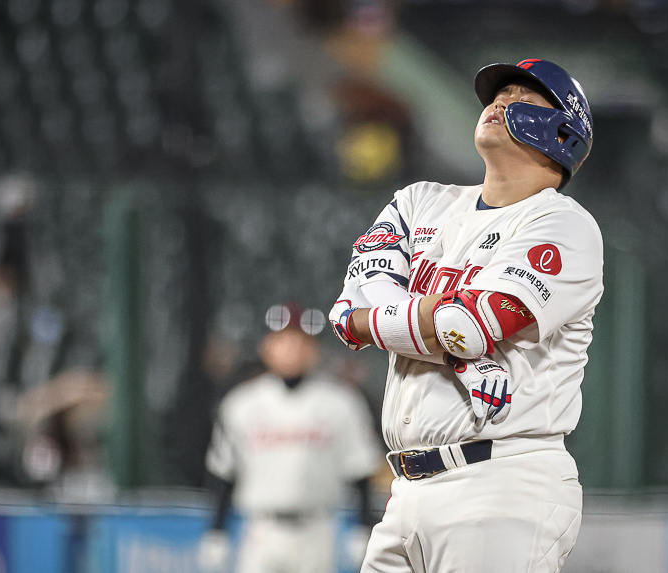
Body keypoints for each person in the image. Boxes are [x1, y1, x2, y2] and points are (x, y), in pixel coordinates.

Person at [328, 59, 602, 573]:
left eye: (522, 97)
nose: (499, 102)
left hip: (501, 483)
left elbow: (469, 327)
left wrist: (396, 319)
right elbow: (346, 314)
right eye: (497, 95)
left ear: (565, 129)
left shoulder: (564, 225)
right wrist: (445, 338)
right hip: (407, 490)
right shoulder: (418, 202)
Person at [200, 303, 383, 573]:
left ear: (315, 349)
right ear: (266, 346)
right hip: (261, 529)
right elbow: (224, 472)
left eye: (301, 341)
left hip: (317, 528)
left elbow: (360, 471)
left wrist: (364, 525)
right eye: (283, 340)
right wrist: (217, 529)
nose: (292, 349)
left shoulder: (341, 403)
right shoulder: (241, 403)